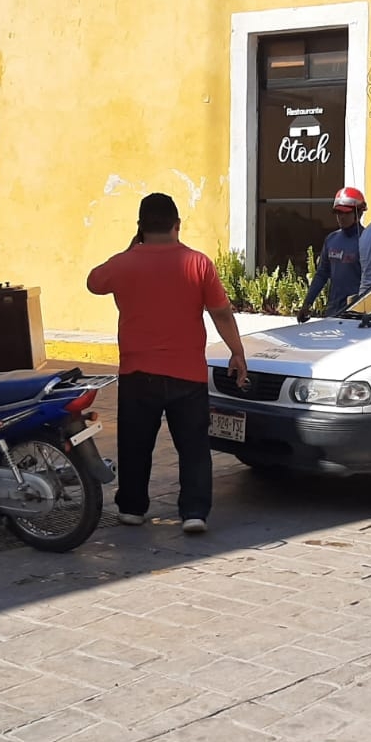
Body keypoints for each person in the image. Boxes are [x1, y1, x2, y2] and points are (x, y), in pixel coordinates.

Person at [87, 193, 249, 534]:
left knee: (134, 444)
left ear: (140, 227)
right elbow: (220, 312)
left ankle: (132, 507)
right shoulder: (198, 263)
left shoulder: (123, 262)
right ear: (177, 225)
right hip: (186, 373)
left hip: (137, 373)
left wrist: (134, 248)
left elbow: (94, 282)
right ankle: (194, 512)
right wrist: (237, 351)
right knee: (193, 446)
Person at [297, 187, 366, 322]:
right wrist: (307, 303)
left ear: (359, 213)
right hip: (333, 311)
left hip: (357, 313)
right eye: (338, 212)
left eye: (345, 213)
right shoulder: (331, 240)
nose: (341, 217)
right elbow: (322, 274)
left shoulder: (366, 239)